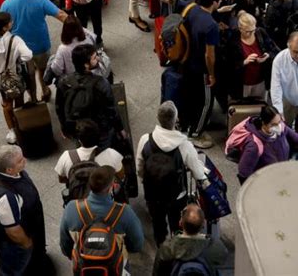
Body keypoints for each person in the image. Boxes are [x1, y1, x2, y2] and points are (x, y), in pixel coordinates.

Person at [136, 101, 207, 245]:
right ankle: (177, 245)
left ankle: (161, 246)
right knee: (177, 224)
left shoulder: (145, 140)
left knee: (158, 223)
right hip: (176, 196)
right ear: (176, 119)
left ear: (158, 118)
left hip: (153, 195)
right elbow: (198, 173)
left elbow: (139, 168)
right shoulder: (184, 145)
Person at [0, 0, 67, 103]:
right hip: (40, 45)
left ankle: (33, 97)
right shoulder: (40, 1)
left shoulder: (6, 5)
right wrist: (77, 27)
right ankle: (45, 90)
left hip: (20, 50)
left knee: (28, 75)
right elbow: (61, 15)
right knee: (42, 69)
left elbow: (1, 27)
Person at [60, 166, 144, 270]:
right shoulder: (125, 212)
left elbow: (65, 246)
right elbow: (137, 245)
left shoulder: (72, 208)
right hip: (115, 267)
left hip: (84, 267)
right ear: (110, 188)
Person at [0, 144, 47, 275]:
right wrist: (27, 244)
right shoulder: (5, 198)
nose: (24, 160)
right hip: (13, 244)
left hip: (28, 224)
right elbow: (13, 231)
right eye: (20, 161)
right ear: (9, 170)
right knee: (15, 268)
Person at [56, 43, 124, 147]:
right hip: (101, 129)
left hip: (78, 129)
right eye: (94, 58)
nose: (97, 58)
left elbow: (59, 108)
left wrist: (64, 127)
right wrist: (120, 129)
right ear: (86, 65)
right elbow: (111, 110)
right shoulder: (101, 83)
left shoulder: (64, 82)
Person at [179, 0, 222, 148]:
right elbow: (209, 55)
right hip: (201, 68)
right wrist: (212, 74)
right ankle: (196, 133)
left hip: (187, 62)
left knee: (190, 97)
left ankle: (185, 124)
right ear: (214, 3)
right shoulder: (211, 26)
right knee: (205, 102)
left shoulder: (193, 9)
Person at [0, 12, 32, 144]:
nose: (12, 23)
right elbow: (28, 56)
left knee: (6, 103)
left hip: (0, 80)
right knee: (18, 100)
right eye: (10, 22)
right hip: (14, 78)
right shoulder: (14, 40)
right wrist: (17, 60)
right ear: (5, 27)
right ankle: (20, 124)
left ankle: (11, 131)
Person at [153, 203, 228, 276]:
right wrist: (208, 237)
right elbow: (223, 257)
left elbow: (157, 272)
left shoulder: (167, 248)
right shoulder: (213, 246)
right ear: (203, 224)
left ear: (180, 223)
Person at [55, 119, 123, 188]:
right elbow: (121, 175)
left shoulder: (66, 156)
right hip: (105, 197)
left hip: (80, 197)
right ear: (98, 136)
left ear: (79, 140)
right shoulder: (111, 154)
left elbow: (61, 179)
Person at [226, 11, 278, 101]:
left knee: (260, 109)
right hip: (242, 84)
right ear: (240, 29)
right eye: (247, 31)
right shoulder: (233, 38)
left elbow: (275, 50)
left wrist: (267, 55)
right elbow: (227, 64)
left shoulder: (260, 33)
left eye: (253, 30)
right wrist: (244, 62)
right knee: (243, 109)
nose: (251, 34)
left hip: (261, 81)